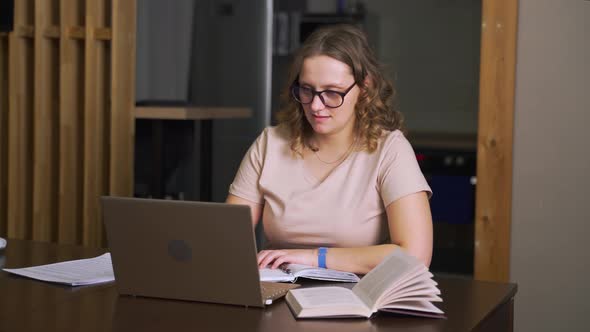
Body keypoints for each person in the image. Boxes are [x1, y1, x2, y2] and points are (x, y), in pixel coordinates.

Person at [226, 24, 432, 275]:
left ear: (364, 89)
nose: (315, 105)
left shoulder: (390, 150)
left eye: (332, 93)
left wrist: (314, 257)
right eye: (307, 89)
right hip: (279, 289)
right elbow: (227, 239)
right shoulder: (270, 143)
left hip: (357, 296)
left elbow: (415, 256)